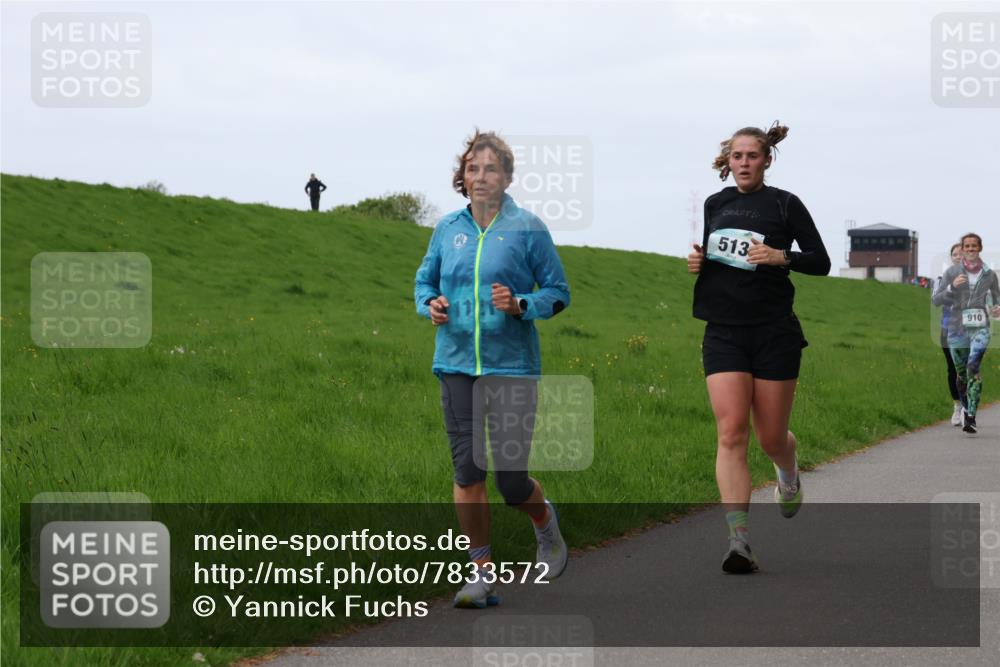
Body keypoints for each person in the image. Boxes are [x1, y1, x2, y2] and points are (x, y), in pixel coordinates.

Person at [414, 130, 571, 607]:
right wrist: (432, 305)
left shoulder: (528, 228)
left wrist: (522, 303)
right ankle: (481, 575)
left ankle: (544, 520)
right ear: (463, 177)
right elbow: (423, 282)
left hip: (512, 368)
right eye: (472, 168)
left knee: (510, 482)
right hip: (457, 364)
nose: (480, 176)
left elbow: (558, 291)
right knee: (467, 472)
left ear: (506, 176)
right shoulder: (447, 228)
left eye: (490, 169)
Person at [687, 122, 831, 573]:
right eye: (737, 156)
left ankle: (787, 472)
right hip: (724, 330)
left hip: (773, 331)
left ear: (767, 160)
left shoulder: (786, 204)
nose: (744, 163)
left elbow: (821, 262)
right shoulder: (716, 204)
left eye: (752, 156)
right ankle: (739, 540)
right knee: (731, 432)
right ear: (727, 161)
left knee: (771, 438)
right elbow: (717, 256)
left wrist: (779, 256)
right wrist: (698, 261)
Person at [933, 233, 1000, 434]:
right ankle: (963, 407)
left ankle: (971, 415)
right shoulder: (952, 272)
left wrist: (997, 308)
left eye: (974, 246)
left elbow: (997, 299)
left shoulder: (989, 275)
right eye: (967, 246)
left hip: (980, 328)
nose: (971, 249)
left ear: (979, 248)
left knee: (973, 367)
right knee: (961, 374)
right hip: (956, 329)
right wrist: (952, 287)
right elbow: (937, 300)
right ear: (962, 249)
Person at [931, 243, 964, 426]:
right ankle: (957, 406)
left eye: (962, 253)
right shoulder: (942, 278)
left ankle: (969, 407)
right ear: (951, 257)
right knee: (953, 369)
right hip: (948, 329)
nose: (958, 256)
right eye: (955, 254)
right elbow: (936, 300)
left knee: (968, 369)